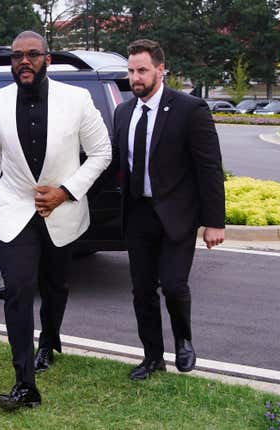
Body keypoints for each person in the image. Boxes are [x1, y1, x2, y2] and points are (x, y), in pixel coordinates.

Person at [0, 30, 111, 410]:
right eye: (16, 55)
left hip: (62, 208)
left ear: (47, 59)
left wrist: (65, 192)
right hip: (14, 209)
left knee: (55, 286)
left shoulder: (77, 98)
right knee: (17, 290)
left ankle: (49, 341)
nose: (23, 61)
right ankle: (24, 385)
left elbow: (101, 153)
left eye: (32, 54)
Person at [112, 39, 225, 380]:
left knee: (174, 285)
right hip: (138, 215)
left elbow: (209, 168)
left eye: (142, 70)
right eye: (131, 71)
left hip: (177, 215)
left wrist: (214, 222)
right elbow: (114, 164)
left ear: (161, 70)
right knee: (142, 290)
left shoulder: (190, 109)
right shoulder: (122, 113)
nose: (136, 77)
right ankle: (152, 357)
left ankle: (184, 340)